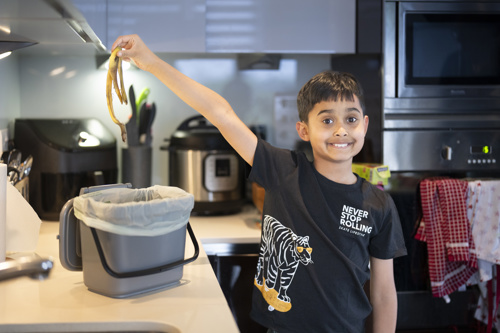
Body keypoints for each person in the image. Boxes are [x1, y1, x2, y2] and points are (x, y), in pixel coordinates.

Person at [111, 34, 407, 333]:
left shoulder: (379, 204)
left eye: (351, 119)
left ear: (365, 125)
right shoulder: (282, 171)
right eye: (327, 120)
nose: (341, 130)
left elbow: (383, 292)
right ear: (304, 130)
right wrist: (151, 62)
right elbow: (220, 114)